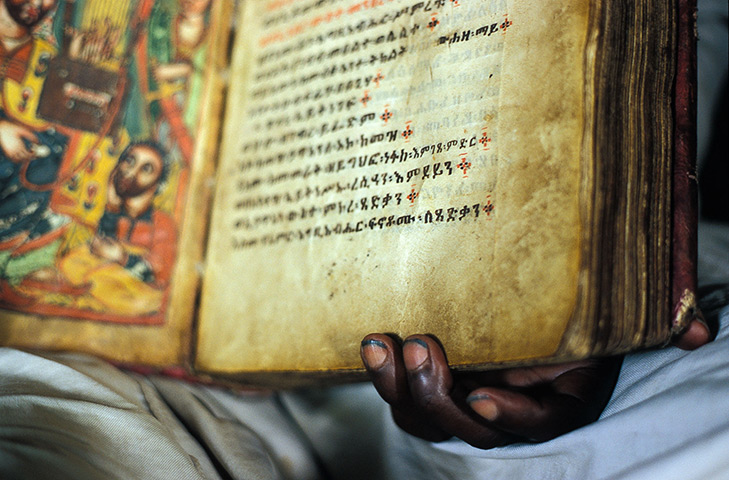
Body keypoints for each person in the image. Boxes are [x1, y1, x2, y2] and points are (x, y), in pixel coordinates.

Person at [46, 141, 177, 315]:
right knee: (70, 264)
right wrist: (112, 208)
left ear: (158, 185)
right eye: (129, 161)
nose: (131, 171)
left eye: (146, 169)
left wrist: (122, 257)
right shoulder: (113, 211)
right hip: (104, 281)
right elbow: (99, 253)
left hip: (133, 293)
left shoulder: (162, 223)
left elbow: (161, 277)